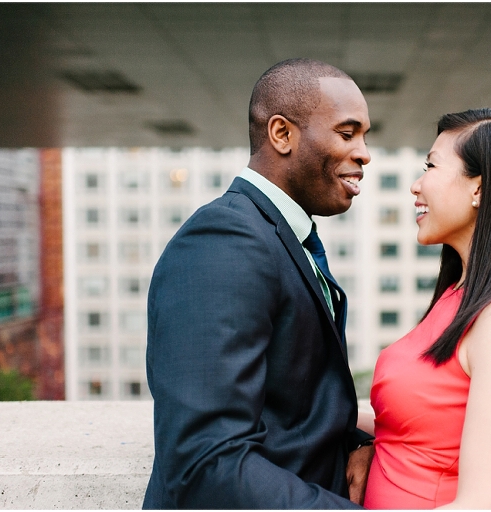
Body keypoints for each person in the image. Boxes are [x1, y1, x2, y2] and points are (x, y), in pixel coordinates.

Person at [143, 58, 375, 509]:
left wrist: (355, 439)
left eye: (365, 136)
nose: (365, 152)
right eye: (347, 134)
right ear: (281, 134)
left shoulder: (276, 234)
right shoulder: (223, 242)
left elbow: (290, 401)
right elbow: (205, 463)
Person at [359, 108, 491, 509]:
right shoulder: (462, 294)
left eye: (431, 166)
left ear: (480, 189)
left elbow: (487, 504)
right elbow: (418, 427)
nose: (416, 186)